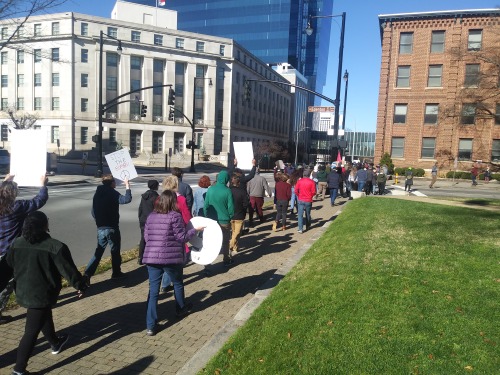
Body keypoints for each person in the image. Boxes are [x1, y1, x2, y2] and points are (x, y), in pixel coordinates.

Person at [7, 211, 88, 375]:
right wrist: (80, 285)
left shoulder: (17, 243)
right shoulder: (55, 246)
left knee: (44, 315)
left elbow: (8, 264)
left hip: (23, 291)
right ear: (44, 225)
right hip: (41, 294)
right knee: (31, 332)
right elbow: (68, 270)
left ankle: (55, 343)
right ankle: (18, 369)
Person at [143, 191, 204, 336]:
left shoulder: (151, 216)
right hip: (170, 257)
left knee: (153, 292)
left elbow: (146, 237)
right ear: (173, 202)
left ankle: (150, 325)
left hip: (151, 258)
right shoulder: (175, 216)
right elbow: (181, 237)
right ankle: (180, 308)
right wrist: (194, 231)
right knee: (177, 283)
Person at [0, 174, 48, 325]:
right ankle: (30, 302)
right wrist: (43, 185)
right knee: (8, 283)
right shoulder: (16, 207)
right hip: (10, 251)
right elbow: (38, 201)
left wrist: (6, 182)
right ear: (14, 194)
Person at [84, 174, 132, 281]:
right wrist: (127, 186)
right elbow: (126, 199)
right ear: (112, 183)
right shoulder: (112, 193)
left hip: (101, 228)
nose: (116, 183)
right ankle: (116, 273)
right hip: (112, 227)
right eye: (115, 182)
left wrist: (99, 221)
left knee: (98, 252)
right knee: (115, 251)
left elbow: (93, 211)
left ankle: (87, 275)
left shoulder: (97, 193)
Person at [204, 170, 234, 265]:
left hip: (212, 220)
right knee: (225, 242)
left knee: (211, 242)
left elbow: (206, 206)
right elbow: (231, 208)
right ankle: (226, 259)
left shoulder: (210, 189)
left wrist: (206, 216)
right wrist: (230, 217)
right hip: (224, 220)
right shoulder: (228, 191)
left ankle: (207, 264)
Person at [138, 180, 159, 265]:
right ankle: (151, 257)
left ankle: (141, 257)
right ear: (156, 186)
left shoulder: (144, 196)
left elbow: (140, 208)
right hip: (153, 220)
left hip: (143, 219)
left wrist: (140, 218)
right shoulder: (156, 197)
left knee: (143, 239)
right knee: (153, 239)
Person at [229, 174, 248, 253]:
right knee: (237, 233)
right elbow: (246, 204)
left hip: (230, 215)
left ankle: (235, 247)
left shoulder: (228, 191)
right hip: (239, 215)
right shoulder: (242, 192)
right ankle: (230, 245)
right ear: (239, 183)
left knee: (234, 232)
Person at [295, 168, 316, 233]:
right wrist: (310, 196)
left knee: (300, 215)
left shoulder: (299, 181)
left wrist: (299, 195)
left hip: (301, 199)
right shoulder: (312, 182)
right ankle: (308, 225)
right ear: (309, 175)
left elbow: (296, 190)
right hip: (308, 200)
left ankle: (300, 228)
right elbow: (314, 192)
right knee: (308, 214)